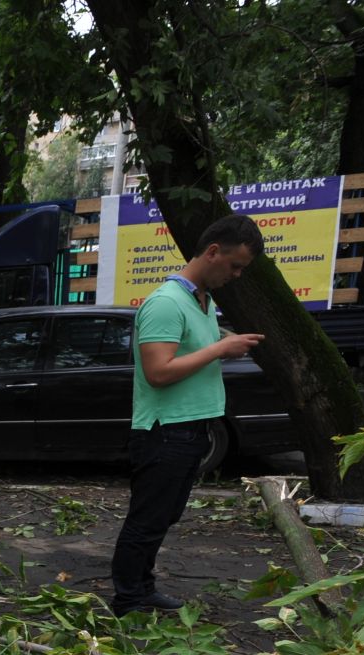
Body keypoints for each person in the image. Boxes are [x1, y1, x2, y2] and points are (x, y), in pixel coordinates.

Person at [110, 213, 266, 616]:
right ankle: (128, 602)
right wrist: (218, 350)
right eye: (234, 266)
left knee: (163, 517)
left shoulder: (202, 301)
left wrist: (227, 338)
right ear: (212, 252)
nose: (236, 275)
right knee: (146, 520)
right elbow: (158, 372)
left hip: (190, 429)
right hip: (165, 432)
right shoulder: (166, 302)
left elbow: (193, 343)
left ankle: (143, 589)